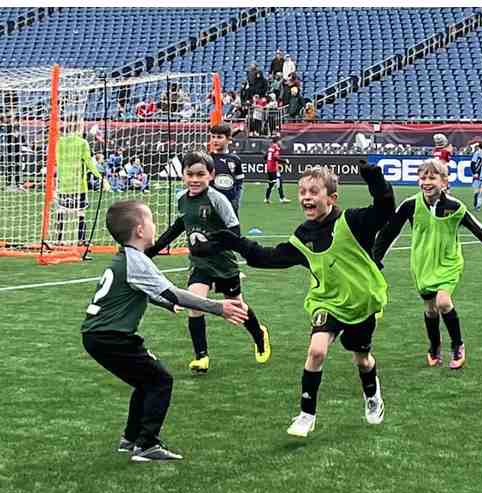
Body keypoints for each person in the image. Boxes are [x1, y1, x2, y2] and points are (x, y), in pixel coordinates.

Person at [192, 163, 396, 437]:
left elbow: (384, 209)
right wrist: (233, 241)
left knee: (362, 360)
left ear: (332, 198)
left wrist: (375, 178)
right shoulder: (303, 236)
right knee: (317, 351)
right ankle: (306, 414)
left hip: (361, 302)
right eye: (302, 192)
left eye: (314, 191)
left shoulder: (353, 222)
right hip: (326, 302)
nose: (306, 197)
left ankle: (372, 395)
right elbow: (266, 257)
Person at [81, 199, 249, 462]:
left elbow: (140, 291)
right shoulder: (137, 260)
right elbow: (175, 293)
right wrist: (218, 307)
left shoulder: (127, 257)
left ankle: (131, 438)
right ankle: (147, 445)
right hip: (111, 337)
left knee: (146, 381)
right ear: (139, 230)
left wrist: (164, 303)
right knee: (160, 381)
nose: (154, 225)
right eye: (150, 220)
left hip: (100, 336)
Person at [373, 159, 482, 368]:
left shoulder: (455, 207)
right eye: (423, 177)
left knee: (442, 302)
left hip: (449, 263)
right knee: (431, 310)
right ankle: (434, 345)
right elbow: (388, 233)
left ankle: (458, 345)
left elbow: (481, 231)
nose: (426, 182)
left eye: (432, 177)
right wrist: (375, 258)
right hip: (422, 264)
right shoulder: (410, 205)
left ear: (444, 181)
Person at [145, 151, 271, 373]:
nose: (194, 179)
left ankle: (259, 334)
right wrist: (153, 249)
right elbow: (178, 227)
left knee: (237, 306)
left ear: (211, 175)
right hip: (199, 264)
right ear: (183, 175)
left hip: (224, 263)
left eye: (200, 174)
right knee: (194, 303)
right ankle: (201, 357)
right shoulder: (181, 198)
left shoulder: (217, 199)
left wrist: (212, 246)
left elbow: (234, 231)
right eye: (189, 174)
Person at [55, 120, 102, 244]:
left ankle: (59, 240)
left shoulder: (59, 142)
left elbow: (55, 160)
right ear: (78, 128)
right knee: (80, 212)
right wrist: (99, 176)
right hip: (78, 185)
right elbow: (88, 162)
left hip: (63, 184)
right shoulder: (82, 143)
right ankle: (81, 240)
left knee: (61, 210)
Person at [209, 124, 244, 217]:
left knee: (231, 230)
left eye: (219, 137)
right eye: (213, 137)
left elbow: (239, 182)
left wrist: (236, 200)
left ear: (229, 140)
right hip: (212, 203)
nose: (215, 140)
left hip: (230, 203)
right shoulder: (207, 159)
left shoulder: (235, 159)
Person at [264, 134, 291, 204]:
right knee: (279, 181)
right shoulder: (276, 147)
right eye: (280, 140)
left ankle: (267, 198)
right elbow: (276, 158)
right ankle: (282, 198)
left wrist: (269, 162)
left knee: (271, 183)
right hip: (273, 168)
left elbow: (265, 156)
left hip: (269, 167)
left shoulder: (270, 147)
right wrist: (284, 161)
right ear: (278, 141)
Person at [470, 141, 482, 210]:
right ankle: (476, 203)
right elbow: (472, 164)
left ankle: (478, 205)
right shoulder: (477, 153)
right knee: (476, 191)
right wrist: (474, 172)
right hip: (478, 175)